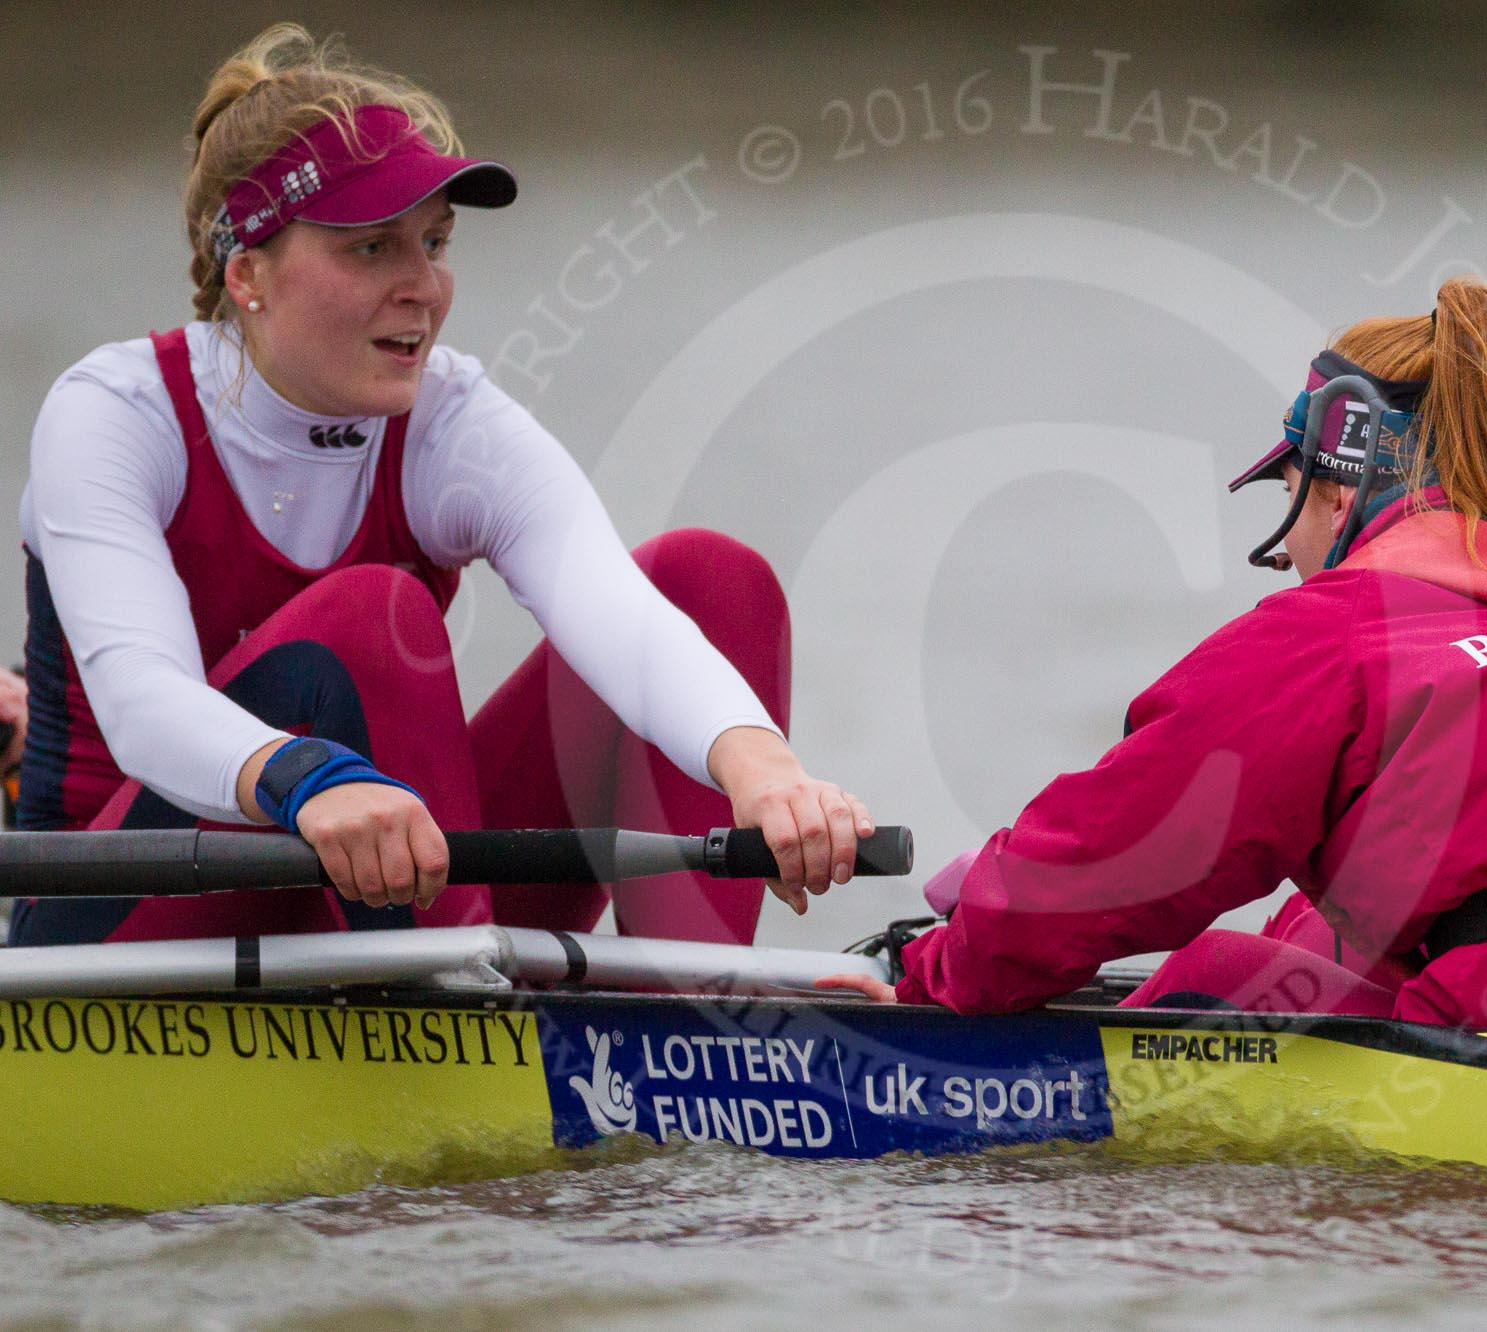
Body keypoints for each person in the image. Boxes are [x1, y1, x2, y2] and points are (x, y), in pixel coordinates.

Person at [11, 25, 871, 947]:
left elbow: (622, 620)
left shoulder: (452, 422)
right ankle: (462, 1026)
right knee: (370, 618)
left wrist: (766, 771)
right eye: (373, 250)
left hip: (386, 885)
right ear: (249, 273)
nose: (425, 286)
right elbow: (143, 702)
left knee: (705, 577)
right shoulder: (117, 412)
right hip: (128, 920)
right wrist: (307, 778)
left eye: (435, 241)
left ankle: (690, 1034)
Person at [820, 278, 1487, 1028]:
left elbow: (1113, 857)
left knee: (1221, 980)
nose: (1291, 548)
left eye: (1289, 492)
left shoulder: (1339, 636)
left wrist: (933, 976)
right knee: (1292, 953)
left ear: (1341, 487)